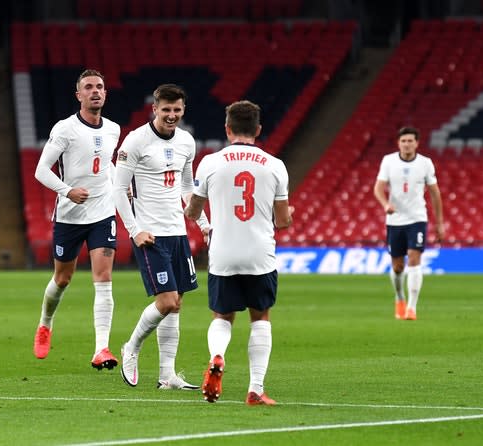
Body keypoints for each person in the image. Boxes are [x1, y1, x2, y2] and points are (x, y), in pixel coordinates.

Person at [184, 100, 293, 406]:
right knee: (260, 317)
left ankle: (217, 356)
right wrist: (287, 215)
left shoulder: (210, 163)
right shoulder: (274, 165)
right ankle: (255, 389)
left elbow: (192, 210)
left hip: (223, 253)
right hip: (260, 253)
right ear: (258, 130)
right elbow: (283, 221)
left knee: (222, 315)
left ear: (227, 129)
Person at [113, 83, 210, 390]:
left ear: (183, 110)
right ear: (154, 109)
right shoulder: (135, 141)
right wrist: (134, 230)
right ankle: (132, 346)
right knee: (166, 301)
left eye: (176, 110)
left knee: (176, 303)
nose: (171, 115)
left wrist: (203, 224)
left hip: (177, 232)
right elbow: (118, 189)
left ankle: (167, 376)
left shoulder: (186, 141)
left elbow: (186, 188)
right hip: (150, 234)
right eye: (165, 110)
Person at [32, 69, 121, 370]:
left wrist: (122, 189)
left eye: (100, 86)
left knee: (104, 278)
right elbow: (41, 170)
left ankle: (102, 349)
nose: (95, 91)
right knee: (63, 278)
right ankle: (45, 324)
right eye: (89, 87)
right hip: (70, 215)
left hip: (103, 212)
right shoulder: (65, 129)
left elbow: (107, 164)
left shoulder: (113, 129)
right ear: (79, 95)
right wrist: (67, 191)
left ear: (105, 93)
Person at [373, 126, 444, 321]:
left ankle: (412, 308)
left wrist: (439, 223)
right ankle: (400, 297)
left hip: (417, 218)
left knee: (414, 258)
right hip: (394, 220)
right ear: (398, 143)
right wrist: (385, 204)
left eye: (410, 141)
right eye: (403, 141)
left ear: (417, 143)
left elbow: (435, 193)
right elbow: (378, 188)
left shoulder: (425, 163)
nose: (407, 144)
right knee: (397, 266)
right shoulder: (388, 161)